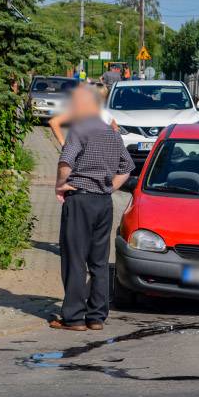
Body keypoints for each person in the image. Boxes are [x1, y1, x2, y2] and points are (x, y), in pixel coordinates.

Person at [51, 85, 134, 332]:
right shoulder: (112, 134)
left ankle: (74, 317)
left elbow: (66, 161)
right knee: (99, 261)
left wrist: (60, 185)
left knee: (75, 258)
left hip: (80, 200)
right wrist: (110, 188)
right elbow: (127, 167)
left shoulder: (79, 130)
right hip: (103, 203)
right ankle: (97, 316)